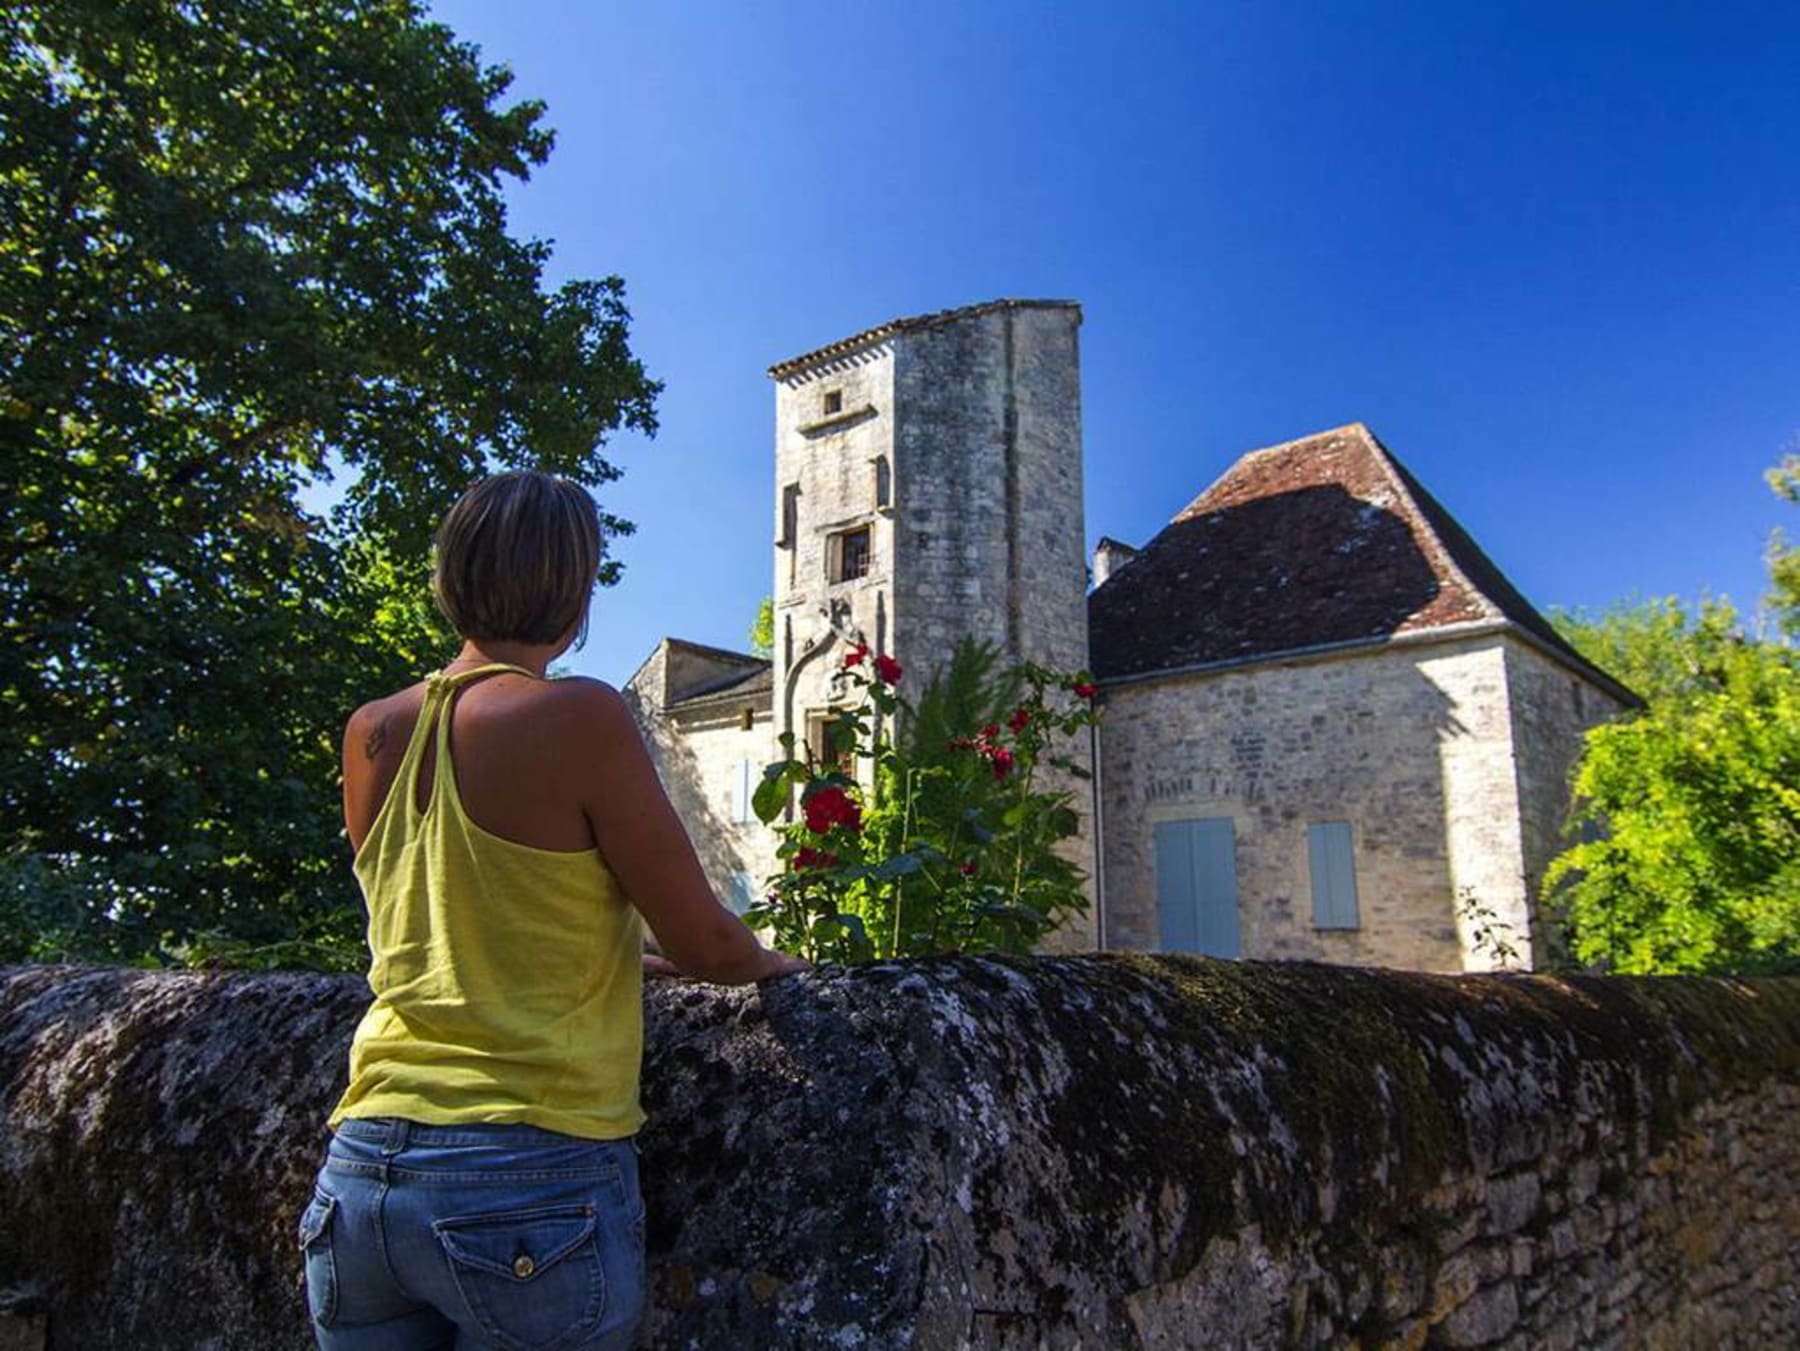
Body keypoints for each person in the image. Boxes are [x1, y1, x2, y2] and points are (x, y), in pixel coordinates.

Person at [299, 470, 806, 1349]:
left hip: (363, 1169)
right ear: (574, 600)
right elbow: (711, 942)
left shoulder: (371, 730)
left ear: (447, 578)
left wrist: (614, 960)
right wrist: (787, 968)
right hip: (522, 1173)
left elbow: (451, 922)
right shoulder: (578, 716)